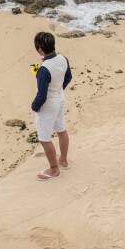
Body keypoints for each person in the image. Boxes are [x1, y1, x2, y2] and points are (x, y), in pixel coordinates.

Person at [31, 31, 72, 180]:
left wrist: (34, 107)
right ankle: (63, 160)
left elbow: (41, 94)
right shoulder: (63, 58)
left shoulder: (43, 69)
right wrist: (59, 89)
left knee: (44, 138)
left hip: (48, 104)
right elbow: (68, 77)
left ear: (40, 49)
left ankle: (54, 169)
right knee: (61, 129)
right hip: (60, 98)